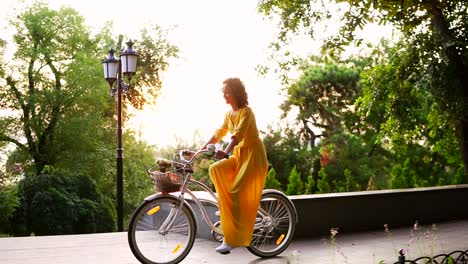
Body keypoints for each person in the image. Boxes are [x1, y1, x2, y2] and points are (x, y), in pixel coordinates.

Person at [200, 77, 268, 254]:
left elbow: (237, 135)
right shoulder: (229, 114)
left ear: (236, 93)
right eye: (223, 92)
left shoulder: (247, 112)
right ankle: (226, 207)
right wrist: (197, 151)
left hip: (253, 156)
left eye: (227, 92)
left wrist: (227, 151)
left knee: (236, 191)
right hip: (240, 155)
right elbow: (219, 133)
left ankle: (231, 240)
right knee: (215, 168)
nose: (224, 95)